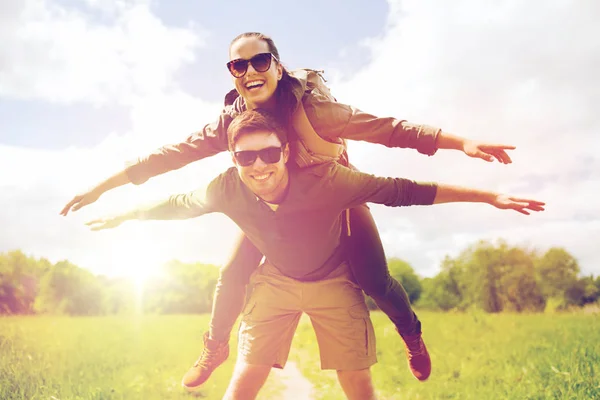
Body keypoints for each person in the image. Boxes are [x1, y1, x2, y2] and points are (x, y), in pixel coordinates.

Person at [61, 32, 517, 386]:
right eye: (237, 64)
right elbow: (171, 155)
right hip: (269, 203)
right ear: (232, 74)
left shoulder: (317, 112)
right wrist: (104, 188)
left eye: (259, 60)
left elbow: (391, 130)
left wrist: (463, 143)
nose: (249, 70)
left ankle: (412, 335)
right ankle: (214, 347)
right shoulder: (230, 123)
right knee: (232, 274)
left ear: (276, 66)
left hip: (333, 196)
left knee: (373, 278)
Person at [87, 110, 544, 400]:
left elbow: (404, 191)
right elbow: (175, 205)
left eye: (269, 153)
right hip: (277, 281)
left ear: (285, 151)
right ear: (233, 161)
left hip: (334, 278)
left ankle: (413, 337)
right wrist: (124, 214)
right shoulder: (225, 188)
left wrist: (488, 197)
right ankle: (213, 348)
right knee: (246, 374)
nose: (260, 165)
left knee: (358, 376)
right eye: (246, 158)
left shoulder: (329, 179)